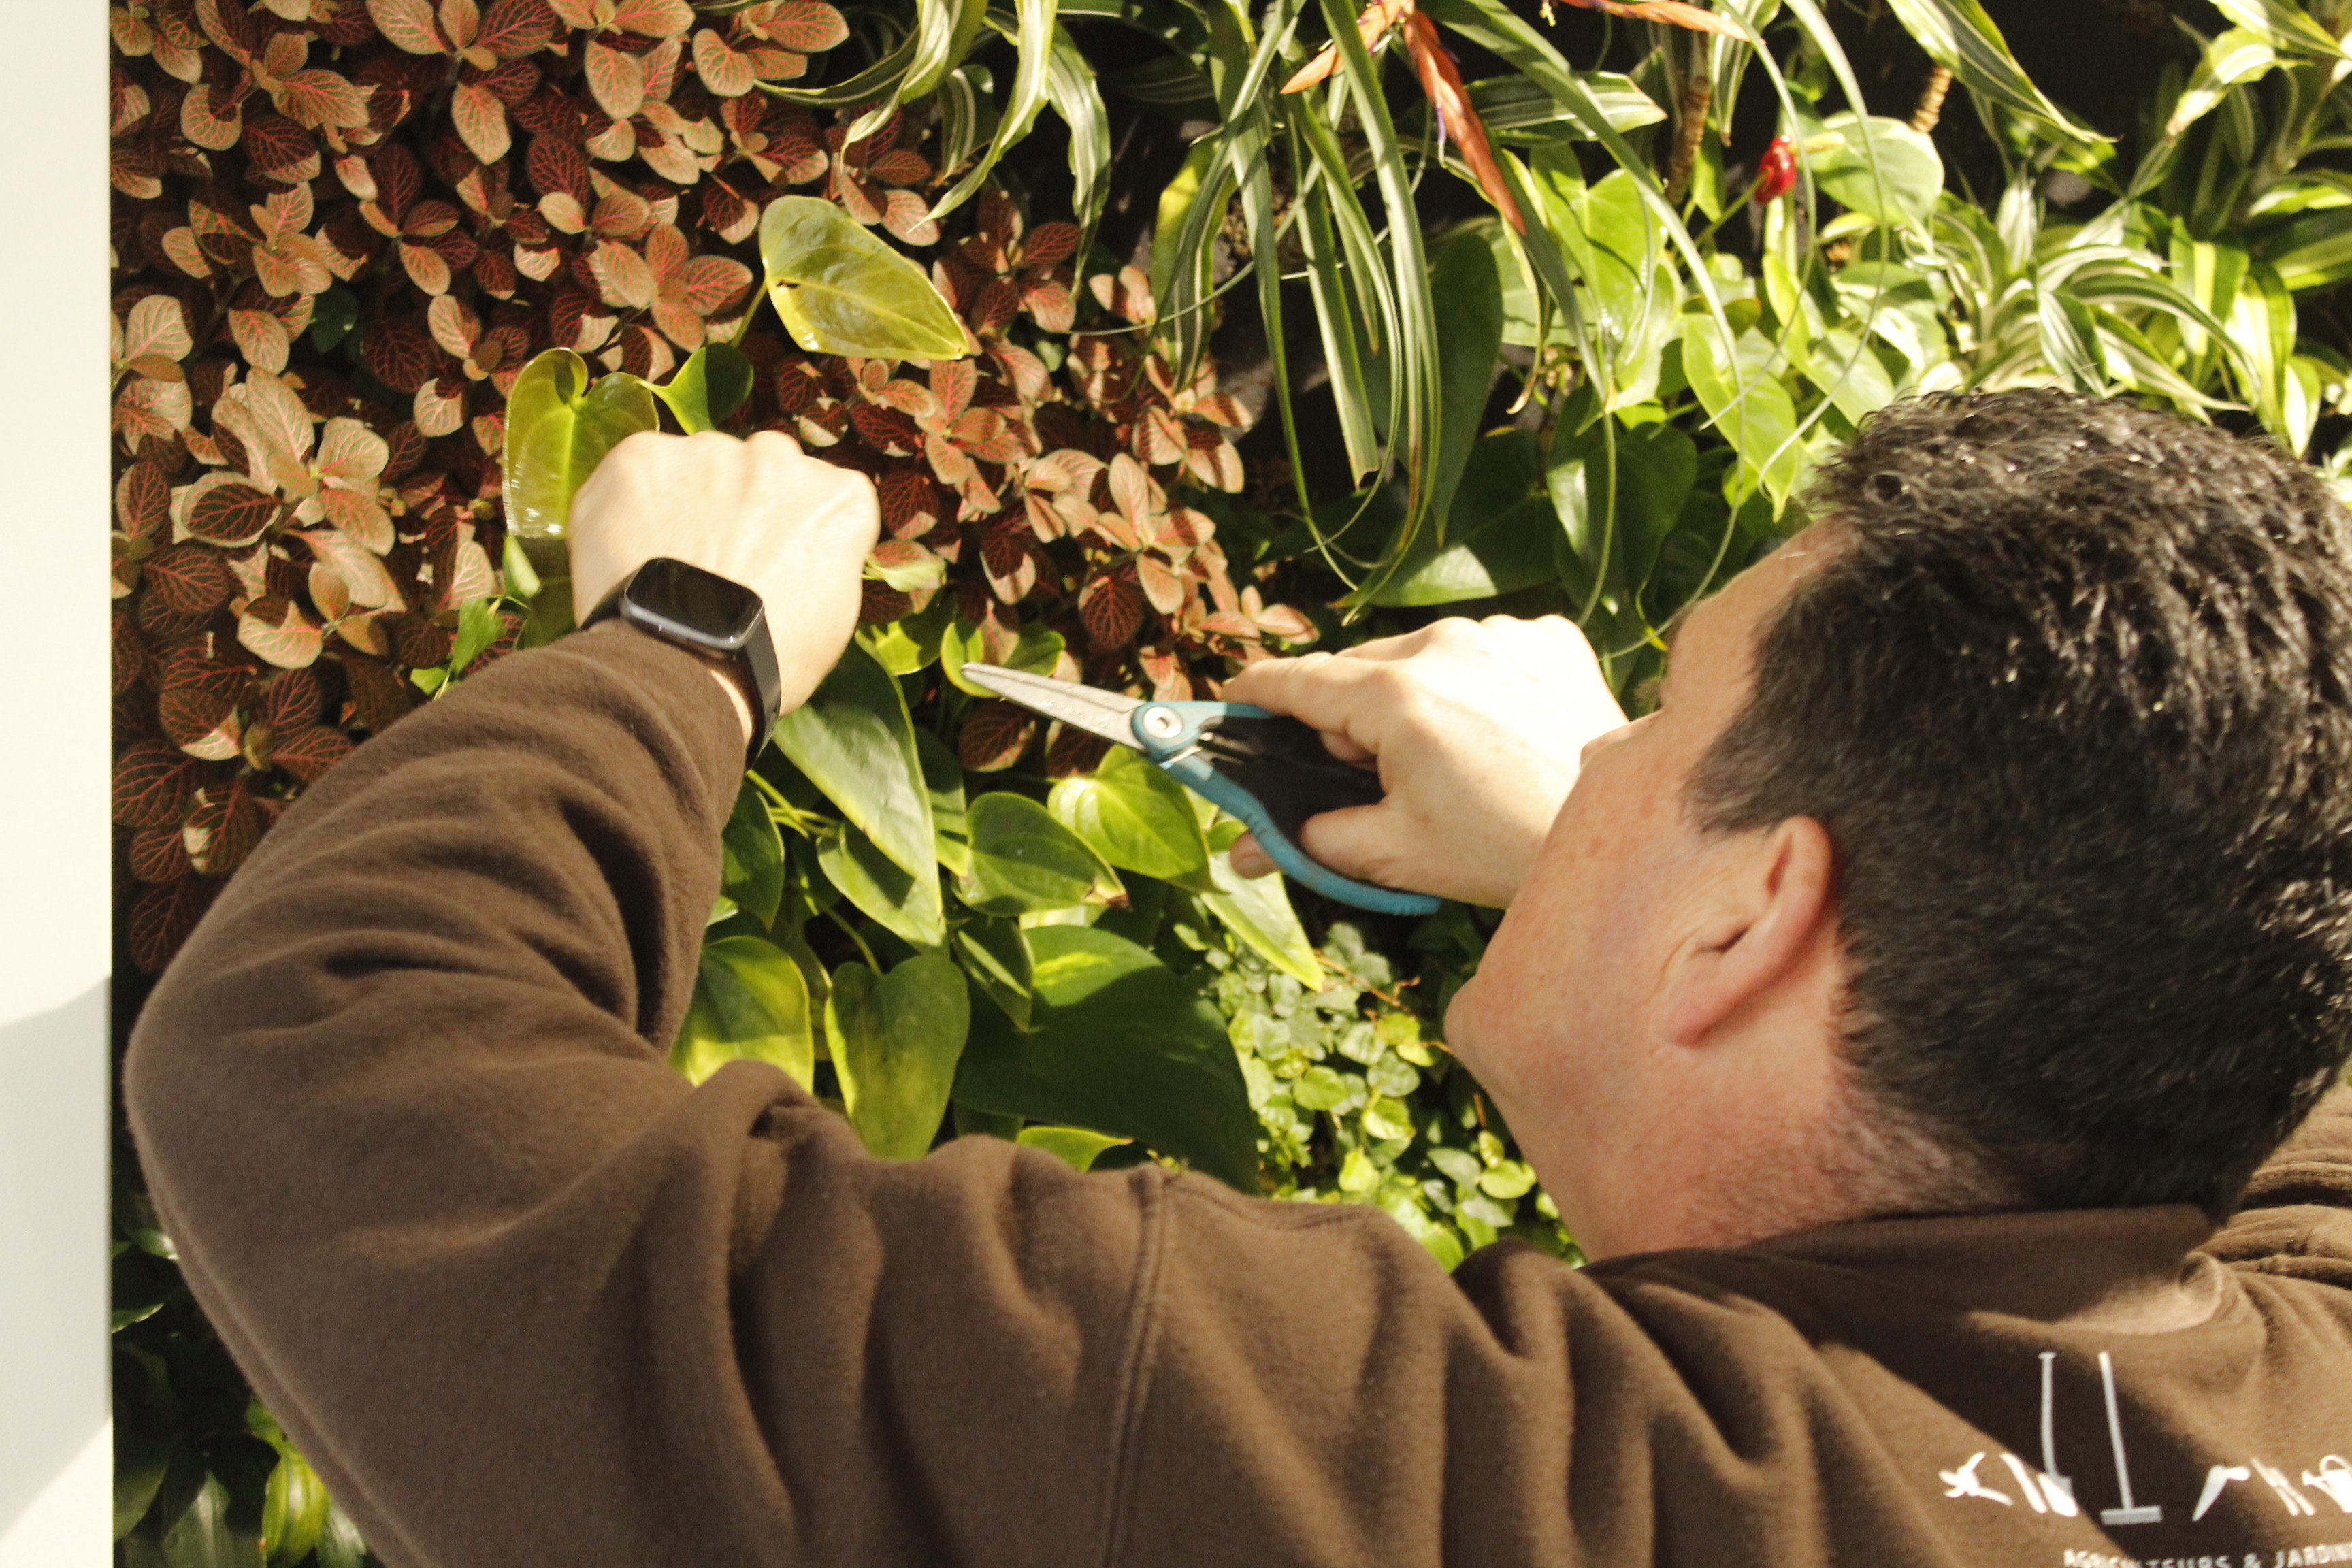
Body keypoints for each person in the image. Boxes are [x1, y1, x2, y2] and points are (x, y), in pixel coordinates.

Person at [127, 389, 2352, 1568]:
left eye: (1650, 714)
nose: (1598, 750)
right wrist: (1626, 847)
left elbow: (335, 1071)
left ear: (1758, 923)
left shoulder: (1419, 1481)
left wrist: (684, 642)